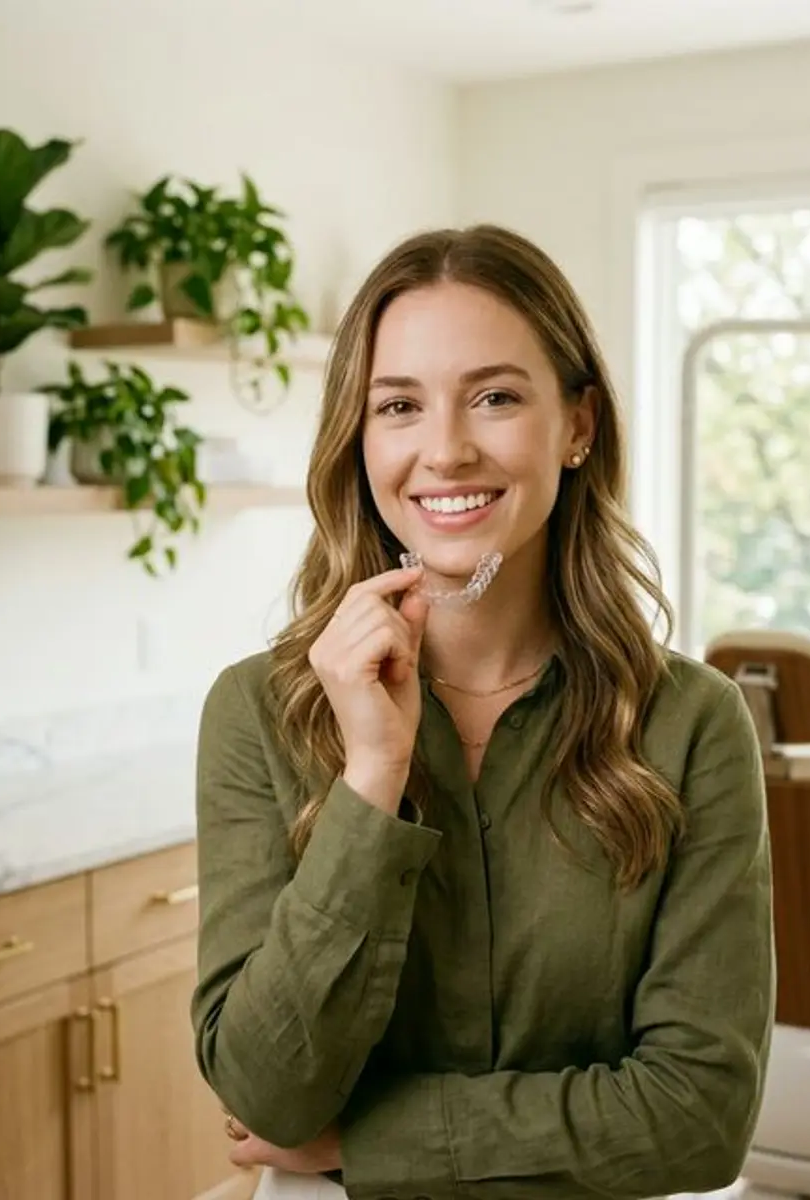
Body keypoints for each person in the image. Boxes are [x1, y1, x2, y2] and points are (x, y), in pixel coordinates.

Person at [191, 224, 775, 1200]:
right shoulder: (257, 713)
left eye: (495, 397)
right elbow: (266, 1095)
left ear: (579, 425)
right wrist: (371, 780)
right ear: (359, 440)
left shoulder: (693, 724)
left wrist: (363, 1143)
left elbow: (701, 1119)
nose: (446, 451)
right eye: (399, 406)